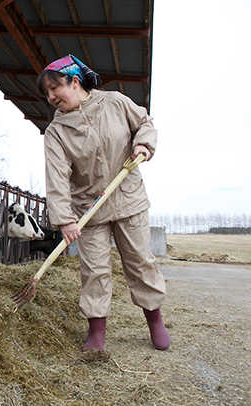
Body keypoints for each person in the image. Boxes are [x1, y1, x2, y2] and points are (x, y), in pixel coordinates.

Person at [37, 54, 170, 351]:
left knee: (139, 262)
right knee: (94, 270)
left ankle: (155, 320)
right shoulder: (56, 132)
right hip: (89, 209)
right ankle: (96, 331)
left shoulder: (114, 102)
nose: (50, 97)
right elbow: (56, 177)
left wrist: (142, 146)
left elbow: (144, 123)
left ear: (74, 81)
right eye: (46, 94)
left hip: (128, 197)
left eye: (53, 89)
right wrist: (65, 219)